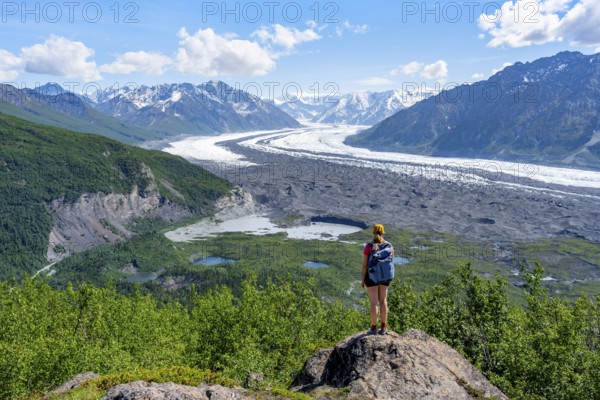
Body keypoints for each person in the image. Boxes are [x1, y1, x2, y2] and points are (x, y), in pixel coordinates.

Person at [362, 224, 393, 335]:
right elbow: (391, 261)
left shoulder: (369, 246)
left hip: (372, 276)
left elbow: (365, 265)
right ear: (383, 232)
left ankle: (374, 328)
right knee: (383, 301)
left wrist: (363, 280)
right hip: (385, 277)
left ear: (373, 232)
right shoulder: (389, 246)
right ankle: (384, 328)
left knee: (374, 302)